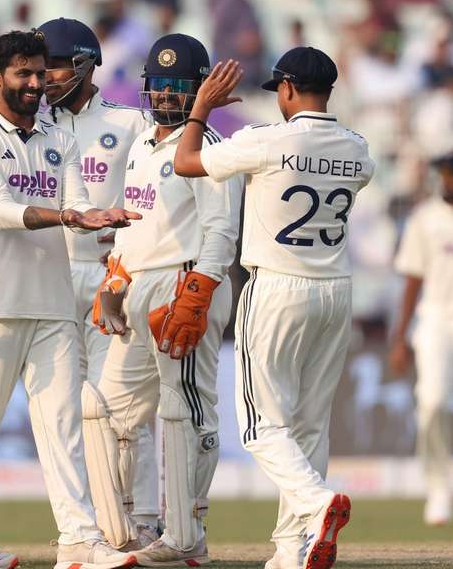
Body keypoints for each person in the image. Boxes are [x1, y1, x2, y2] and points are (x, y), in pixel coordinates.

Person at [0, 29, 140, 569]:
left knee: (64, 427)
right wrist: (72, 215)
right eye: (24, 74)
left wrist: (93, 216)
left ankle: (79, 538)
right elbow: (3, 212)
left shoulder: (59, 137)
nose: (36, 83)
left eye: (41, 72)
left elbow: (75, 201)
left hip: (51, 305)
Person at [173, 47, 375, 569]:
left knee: (262, 427)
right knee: (309, 426)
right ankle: (291, 550)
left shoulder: (265, 141)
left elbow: (185, 162)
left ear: (286, 89)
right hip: (336, 290)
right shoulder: (358, 150)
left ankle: (317, 503)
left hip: (278, 289)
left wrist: (200, 109)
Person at [91, 33, 241, 565]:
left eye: (179, 88)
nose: (166, 97)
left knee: (186, 410)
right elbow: (133, 222)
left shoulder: (211, 149)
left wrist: (198, 292)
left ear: (199, 91)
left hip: (185, 281)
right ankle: (129, 528)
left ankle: (188, 529)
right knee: (105, 410)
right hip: (136, 285)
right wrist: (113, 279)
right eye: (159, 85)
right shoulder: (138, 145)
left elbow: (221, 231)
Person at [35, 16, 162, 551]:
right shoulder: (30, 126)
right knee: (68, 410)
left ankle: (148, 517)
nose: (46, 78)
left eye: (57, 66)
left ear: (86, 65)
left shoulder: (129, 122)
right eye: (41, 68)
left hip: (111, 277)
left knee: (124, 405)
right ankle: (95, 527)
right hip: (51, 278)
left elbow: (162, 185)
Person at [389, 151, 453, 527]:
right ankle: (438, 490)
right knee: (432, 402)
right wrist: (400, 339)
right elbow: (412, 281)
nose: (448, 181)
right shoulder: (425, 219)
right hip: (435, 320)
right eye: (445, 175)